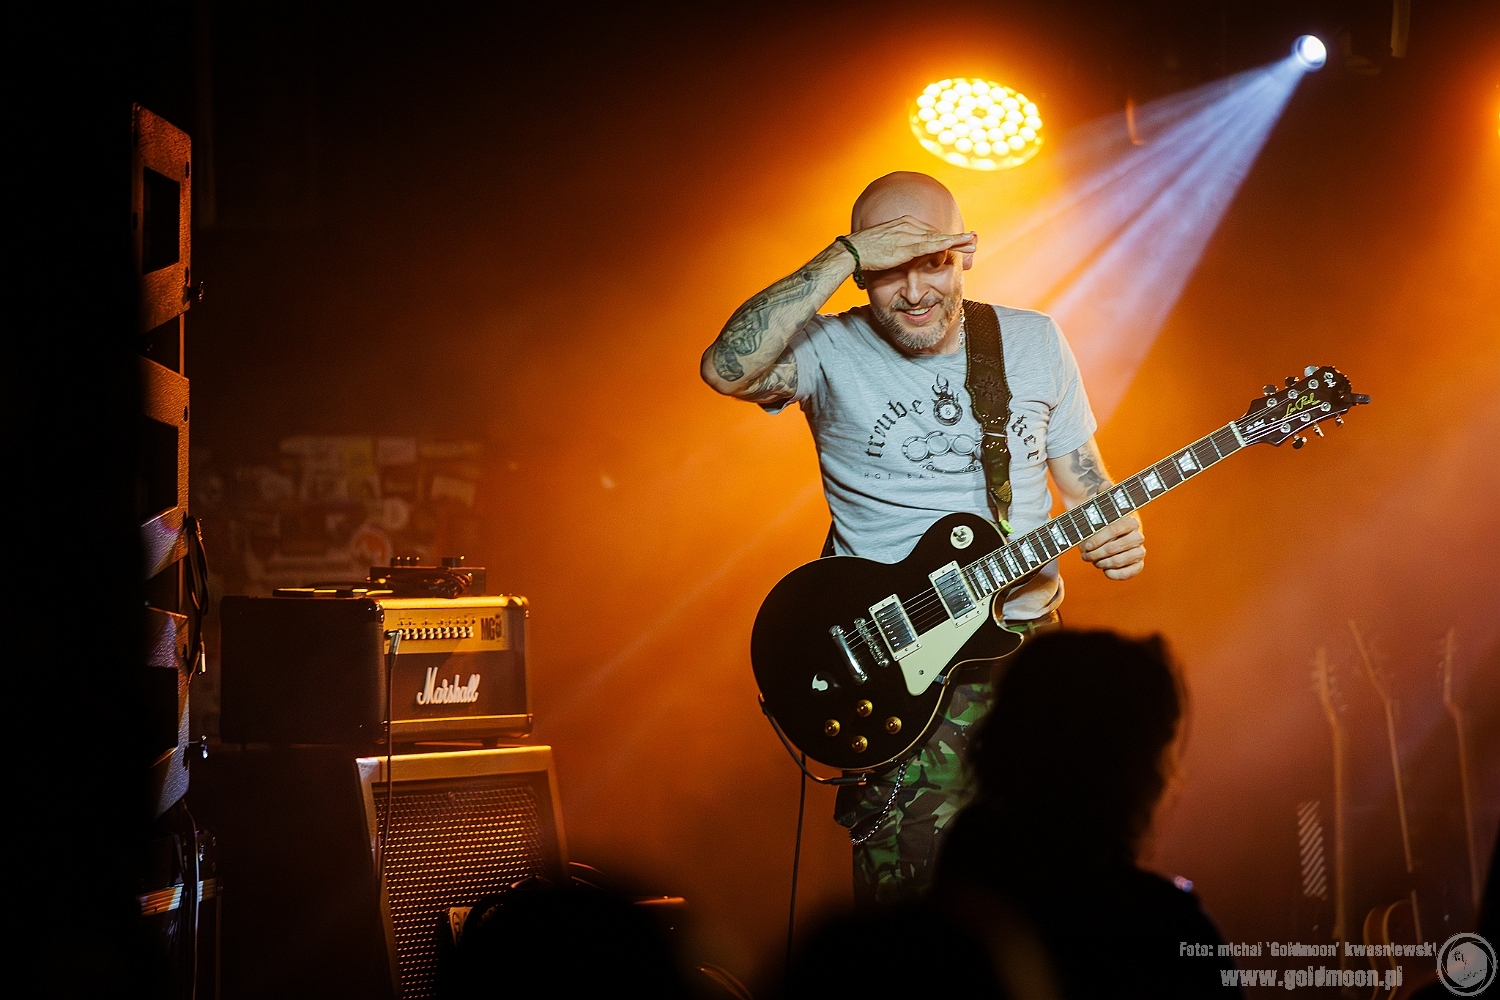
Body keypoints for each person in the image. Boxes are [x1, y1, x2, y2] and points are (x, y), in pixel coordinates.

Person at [700, 171, 1146, 904]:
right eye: (887, 269)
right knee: (916, 916)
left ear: (964, 252)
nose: (913, 292)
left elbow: (1084, 478)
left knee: (1054, 891)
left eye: (932, 262)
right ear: (859, 273)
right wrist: (845, 253)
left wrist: (1116, 523)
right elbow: (725, 369)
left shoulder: (1032, 340)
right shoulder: (828, 347)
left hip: (1026, 663)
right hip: (895, 671)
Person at [933, 630, 1241, 998]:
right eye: (1161, 748)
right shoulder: (1166, 926)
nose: (1172, 774)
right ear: (1130, 764)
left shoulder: (970, 859)